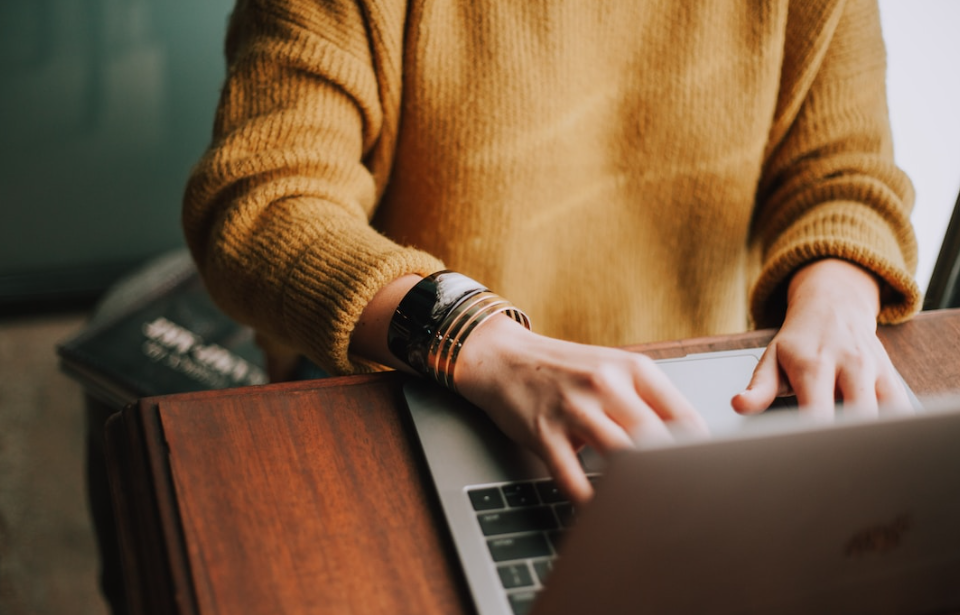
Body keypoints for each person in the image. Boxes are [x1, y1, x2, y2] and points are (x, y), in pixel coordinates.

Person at [183, 0, 921, 505]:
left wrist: (838, 295)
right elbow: (262, 201)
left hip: (690, 408)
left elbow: (844, 174)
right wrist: (478, 339)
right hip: (415, 385)